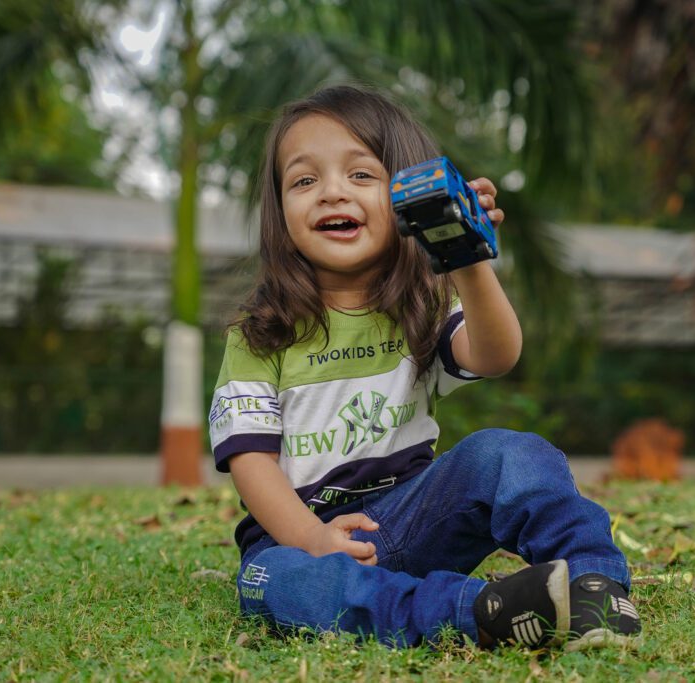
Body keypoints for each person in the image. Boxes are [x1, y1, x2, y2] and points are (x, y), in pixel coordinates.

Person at [208, 84, 641, 649]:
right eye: (304, 180)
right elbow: (251, 462)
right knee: (283, 587)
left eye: (361, 175)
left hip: (415, 517)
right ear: (279, 211)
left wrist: (467, 262)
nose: (331, 192)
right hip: (298, 539)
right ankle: (481, 611)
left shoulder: (423, 305)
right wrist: (313, 539)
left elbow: (495, 354)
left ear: (408, 201)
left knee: (508, 452)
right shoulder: (259, 334)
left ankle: (595, 586)